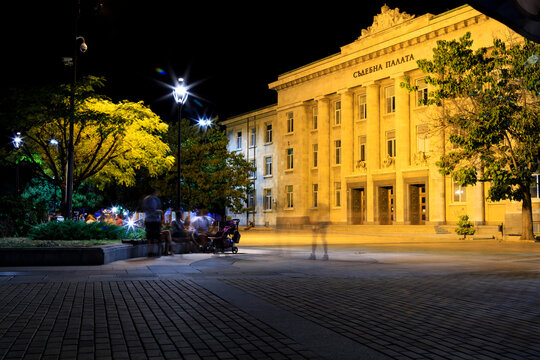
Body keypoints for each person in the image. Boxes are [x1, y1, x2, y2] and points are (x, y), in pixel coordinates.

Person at [143, 189, 172, 256]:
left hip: (148, 220)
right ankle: (157, 252)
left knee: (150, 237)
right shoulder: (153, 199)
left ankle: (150, 252)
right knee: (156, 236)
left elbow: (146, 209)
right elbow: (153, 210)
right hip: (154, 220)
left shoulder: (146, 199)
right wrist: (159, 211)